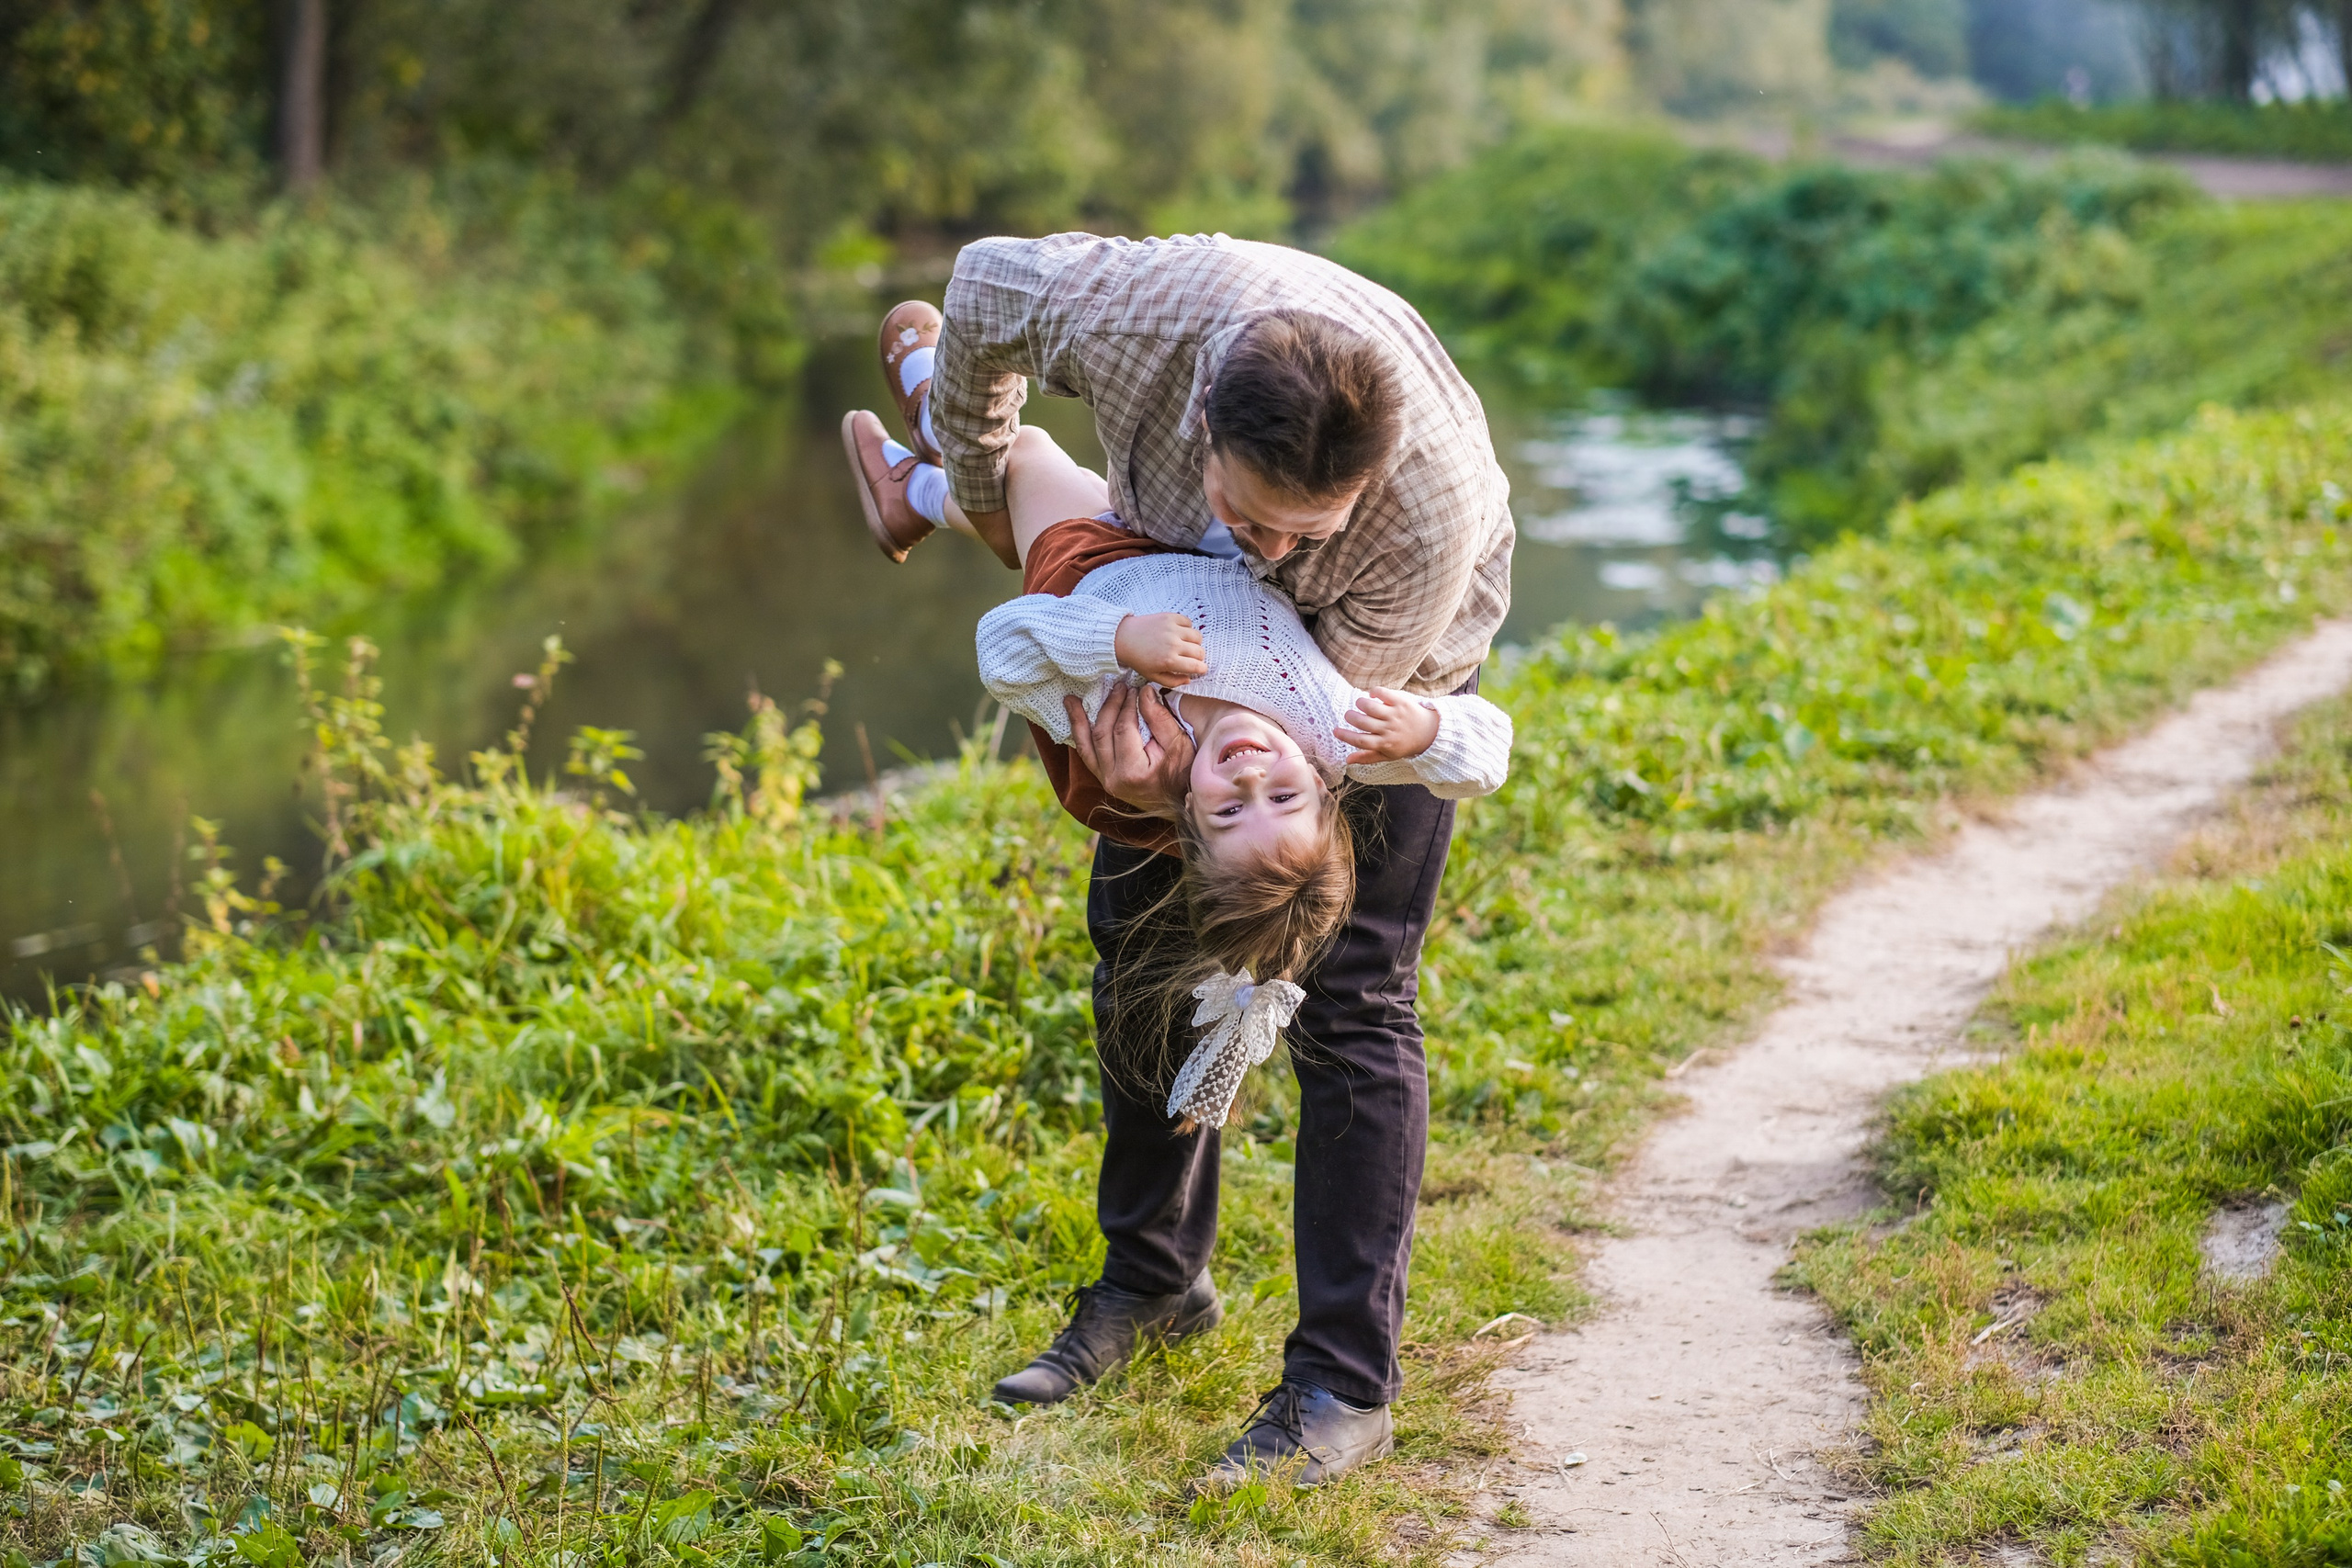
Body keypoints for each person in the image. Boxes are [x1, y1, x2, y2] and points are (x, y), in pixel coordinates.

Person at [842, 232, 1513, 1490]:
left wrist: (1195, 788)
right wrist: (973, 482)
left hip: (1364, 696)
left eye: (1303, 531)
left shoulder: (1423, 524)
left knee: (1346, 992)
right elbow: (982, 281)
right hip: (1172, 627)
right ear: (1202, 421)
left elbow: (1317, 750)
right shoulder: (1131, 318)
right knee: (1142, 953)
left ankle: (1340, 1385)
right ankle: (1153, 1283)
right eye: (1250, 517)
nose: (1271, 551)